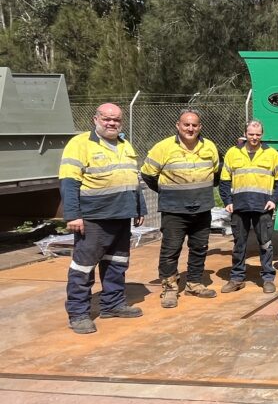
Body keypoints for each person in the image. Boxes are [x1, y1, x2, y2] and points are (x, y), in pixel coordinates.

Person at [59, 103, 147, 334]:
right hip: (94, 218)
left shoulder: (124, 144)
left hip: (121, 216)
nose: (111, 123)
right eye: (107, 119)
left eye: (116, 120)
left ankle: (113, 304)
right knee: (83, 267)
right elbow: (69, 182)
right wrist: (73, 215)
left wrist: (140, 208)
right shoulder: (79, 144)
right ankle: (78, 313)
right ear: (95, 119)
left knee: (117, 263)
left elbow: (133, 179)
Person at [141, 109, 221, 309]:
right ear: (178, 125)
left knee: (199, 248)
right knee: (171, 250)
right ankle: (169, 288)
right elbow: (148, 175)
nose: (190, 128)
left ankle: (194, 283)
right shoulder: (163, 148)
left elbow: (216, 174)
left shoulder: (210, 147)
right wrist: (168, 192)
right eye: (186, 124)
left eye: (194, 125)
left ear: (200, 127)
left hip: (202, 208)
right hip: (174, 210)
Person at [219, 120, 278, 294]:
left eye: (257, 134)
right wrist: (228, 201)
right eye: (251, 134)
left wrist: (275, 200)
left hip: (263, 207)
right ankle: (236, 278)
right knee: (239, 245)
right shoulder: (232, 153)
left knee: (265, 244)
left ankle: (267, 278)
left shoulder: (271, 154)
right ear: (245, 133)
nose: (254, 137)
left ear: (262, 135)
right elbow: (224, 181)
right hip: (239, 208)